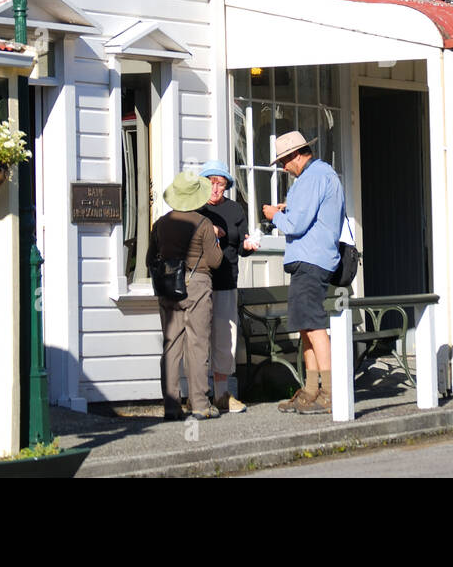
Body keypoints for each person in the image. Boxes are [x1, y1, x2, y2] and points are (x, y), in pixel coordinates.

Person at [262, 130, 344, 414]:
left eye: (285, 160)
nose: (284, 167)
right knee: (306, 326)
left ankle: (331, 393)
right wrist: (289, 208)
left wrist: (275, 216)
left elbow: (296, 225)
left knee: (314, 326)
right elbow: (311, 215)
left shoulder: (312, 177)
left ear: (297, 154)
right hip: (312, 260)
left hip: (311, 261)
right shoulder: (320, 175)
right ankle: (311, 390)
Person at [147, 170, 224, 420]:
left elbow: (150, 259)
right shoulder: (203, 224)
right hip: (196, 284)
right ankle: (199, 403)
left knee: (171, 346)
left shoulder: (160, 224)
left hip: (168, 286)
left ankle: (171, 405)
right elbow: (214, 261)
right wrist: (218, 242)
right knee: (198, 343)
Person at [197, 159, 256, 413]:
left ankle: (221, 395)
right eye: (211, 183)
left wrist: (249, 246)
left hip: (226, 280)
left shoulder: (235, 210)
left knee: (224, 338)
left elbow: (242, 246)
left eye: (220, 184)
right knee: (198, 337)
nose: (215, 188)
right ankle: (197, 394)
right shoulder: (196, 209)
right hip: (199, 282)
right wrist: (210, 232)